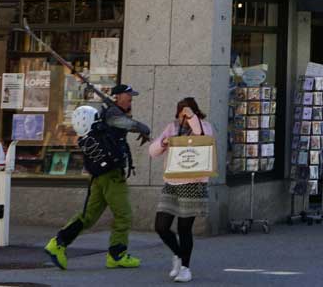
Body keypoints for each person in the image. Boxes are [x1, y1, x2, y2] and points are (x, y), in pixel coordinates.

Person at [46, 83, 151, 271]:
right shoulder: (112, 114)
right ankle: (117, 255)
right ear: (118, 96)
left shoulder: (108, 113)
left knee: (88, 216)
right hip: (112, 176)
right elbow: (126, 124)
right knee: (123, 215)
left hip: (100, 176)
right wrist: (143, 128)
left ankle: (58, 243)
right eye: (129, 96)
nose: (131, 99)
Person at [146, 97, 210, 282]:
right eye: (181, 113)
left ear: (195, 112)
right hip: (172, 182)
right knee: (161, 226)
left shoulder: (204, 126)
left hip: (193, 183)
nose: (183, 117)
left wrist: (192, 118)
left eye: (187, 112)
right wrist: (163, 143)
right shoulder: (172, 127)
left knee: (184, 228)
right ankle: (178, 254)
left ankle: (185, 268)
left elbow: (201, 135)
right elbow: (152, 151)